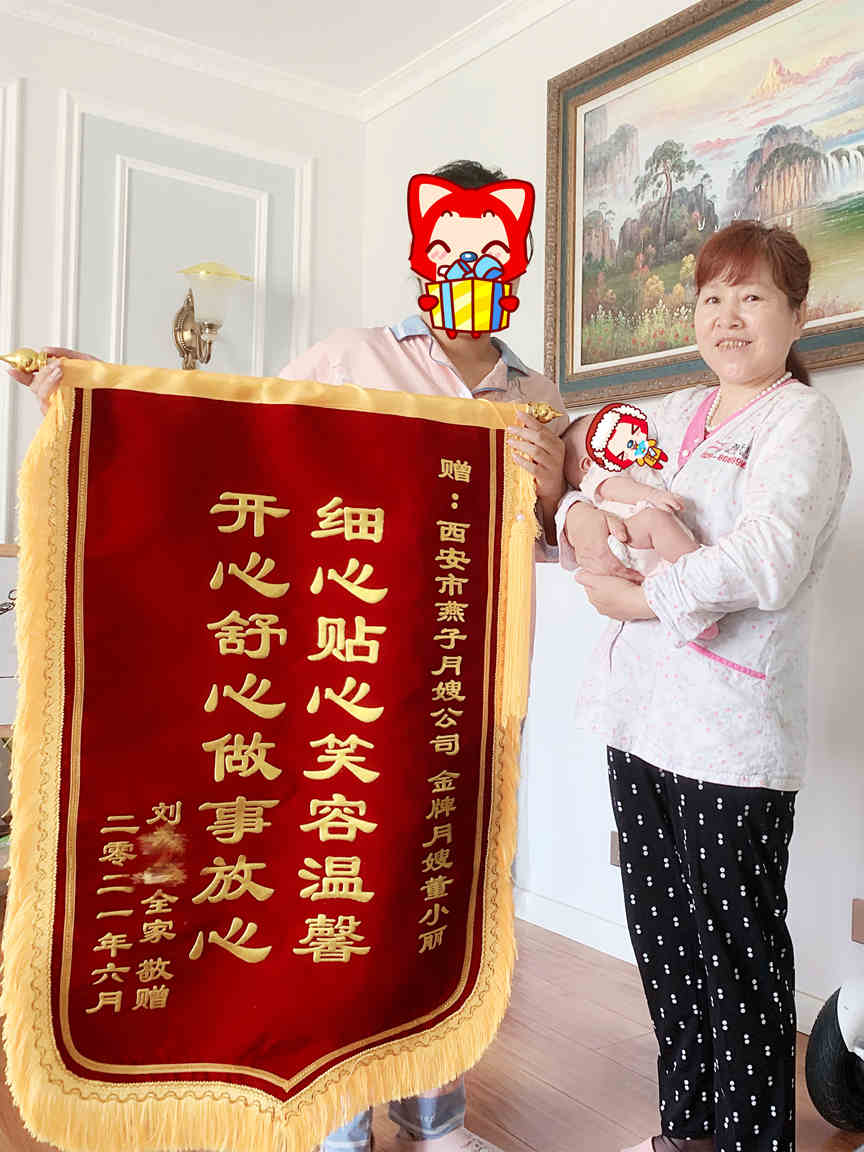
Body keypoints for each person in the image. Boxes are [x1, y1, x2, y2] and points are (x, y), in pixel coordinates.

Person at [8, 159, 568, 1152]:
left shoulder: (535, 394)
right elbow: (239, 433)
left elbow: (547, 537)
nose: (468, 266)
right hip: (342, 675)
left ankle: (435, 1114)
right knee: (342, 883)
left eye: (490, 248)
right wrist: (101, 390)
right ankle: (336, 1123)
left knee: (440, 890)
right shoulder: (353, 356)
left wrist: (549, 484)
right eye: (449, 246)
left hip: (456, 684)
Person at [558, 220, 850, 1152]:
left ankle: (752, 1141)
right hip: (640, 718)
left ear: (796, 316)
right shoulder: (681, 409)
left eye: (752, 297)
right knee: (666, 942)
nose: (729, 317)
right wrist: (586, 522)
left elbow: (768, 559)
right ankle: (685, 1129)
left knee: (736, 954)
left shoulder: (800, 421)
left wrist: (641, 596)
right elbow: (597, 490)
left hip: (731, 730)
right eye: (713, 297)